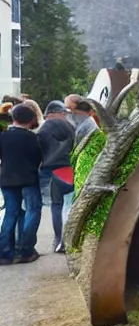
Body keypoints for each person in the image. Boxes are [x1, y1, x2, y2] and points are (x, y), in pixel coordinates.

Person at [0, 105, 42, 265]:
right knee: (33, 211)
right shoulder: (33, 138)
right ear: (31, 120)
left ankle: (5, 253)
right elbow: (38, 157)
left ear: (13, 118)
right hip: (28, 179)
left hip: (7, 179)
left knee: (11, 213)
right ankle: (26, 250)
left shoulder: (3, 137)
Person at [38, 100, 75, 253]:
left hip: (50, 172)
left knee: (56, 206)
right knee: (69, 206)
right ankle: (69, 240)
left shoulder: (43, 130)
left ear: (50, 114)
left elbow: (38, 151)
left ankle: (58, 239)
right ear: (60, 113)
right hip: (68, 170)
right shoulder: (71, 127)